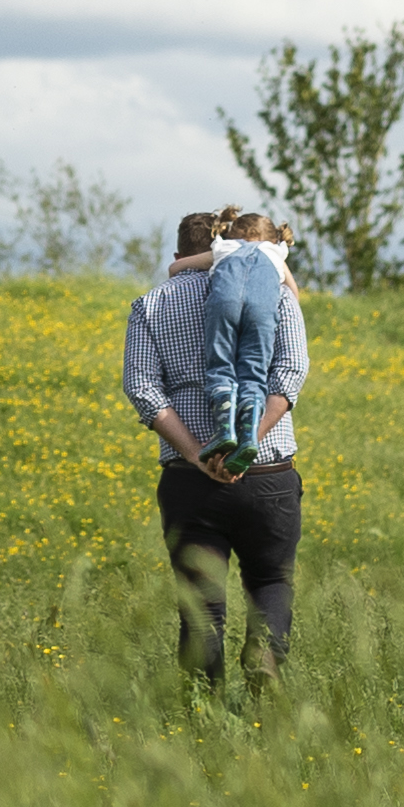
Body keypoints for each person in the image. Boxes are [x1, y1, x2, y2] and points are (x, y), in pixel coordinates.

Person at [122, 206, 307, 680]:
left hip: (190, 481)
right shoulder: (277, 292)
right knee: (269, 580)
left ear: (182, 253)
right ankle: (265, 658)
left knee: (201, 608)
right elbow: (290, 374)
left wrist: (198, 455)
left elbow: (142, 388)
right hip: (267, 475)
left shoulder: (152, 304)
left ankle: (204, 714)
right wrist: (252, 438)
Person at [196, 206, 299, 470]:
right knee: (254, 371)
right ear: (274, 238)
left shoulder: (224, 247)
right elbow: (293, 292)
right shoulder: (277, 253)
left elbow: (177, 267)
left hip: (224, 304)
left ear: (233, 234)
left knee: (221, 365)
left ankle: (224, 431)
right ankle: (249, 437)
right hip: (262, 310)